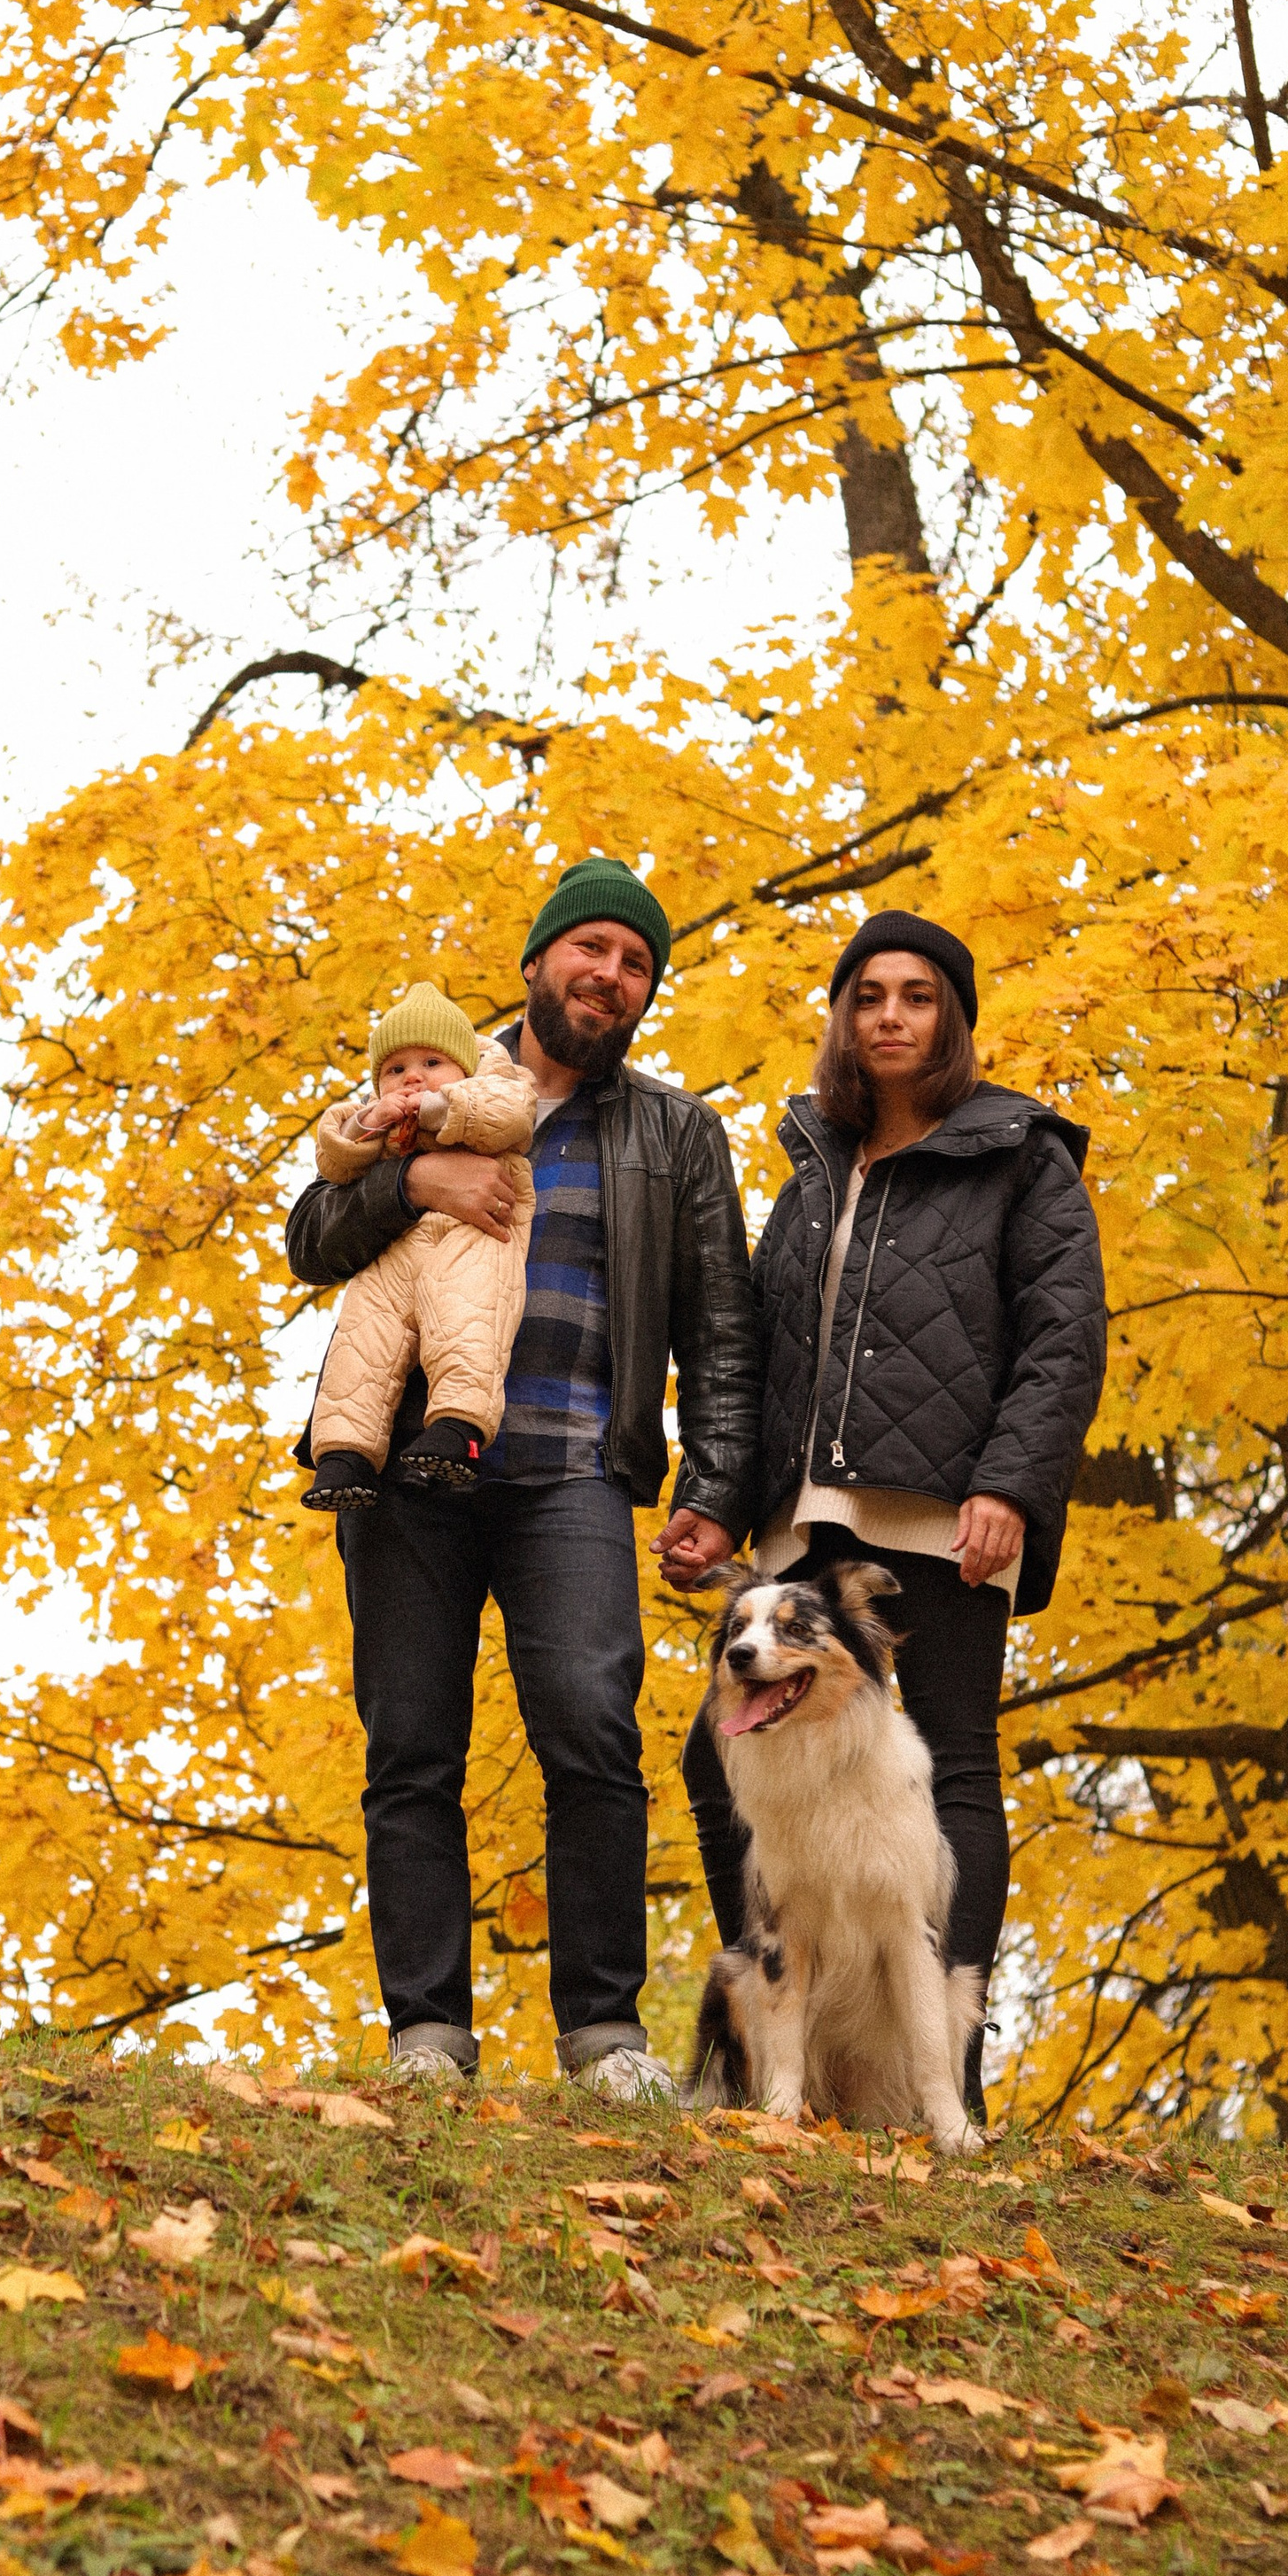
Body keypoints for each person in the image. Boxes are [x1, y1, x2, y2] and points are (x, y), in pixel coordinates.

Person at [287, 857, 758, 2100]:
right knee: (411, 1747)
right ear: (538, 962)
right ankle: (428, 2034)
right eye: (591, 948)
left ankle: (605, 2036)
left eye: (636, 961)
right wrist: (413, 1179)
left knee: (595, 1736)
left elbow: (720, 1331)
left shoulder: (677, 1135)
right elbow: (309, 1239)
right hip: (408, 1464)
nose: (610, 974)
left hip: (576, 1476)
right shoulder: (426, 1082)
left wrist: (714, 1487)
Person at [677, 908, 1107, 2120]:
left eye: (919, 997)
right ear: (842, 1017)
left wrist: (1011, 1486)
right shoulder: (813, 1162)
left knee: (958, 1767)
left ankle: (942, 2079)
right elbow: (757, 1345)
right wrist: (714, 1502)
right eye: (869, 996)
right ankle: (790, 2036)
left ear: (953, 1019)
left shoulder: (1025, 1156)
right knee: (721, 1760)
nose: (891, 1017)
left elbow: (1064, 1339)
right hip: (808, 1515)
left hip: (950, 1507)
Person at [301, 985, 535, 1510]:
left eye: (432, 1061)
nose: (412, 1077)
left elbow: (508, 1115)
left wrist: (436, 1108)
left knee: (469, 1326)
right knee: (363, 1343)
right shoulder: (385, 1121)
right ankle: (344, 1457)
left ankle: (460, 1431)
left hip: (473, 1237)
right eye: (396, 1068)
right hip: (394, 1253)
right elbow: (334, 1167)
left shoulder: (496, 1083)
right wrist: (367, 1122)